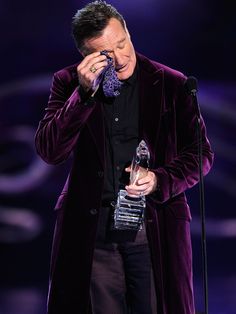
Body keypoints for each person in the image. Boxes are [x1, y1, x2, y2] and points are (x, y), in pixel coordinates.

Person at [35, 1, 214, 313]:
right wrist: (84, 95)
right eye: (106, 54)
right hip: (94, 235)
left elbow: (201, 154)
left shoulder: (171, 83)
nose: (119, 58)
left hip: (154, 228)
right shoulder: (67, 83)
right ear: (86, 55)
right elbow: (50, 151)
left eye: (122, 43)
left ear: (129, 33)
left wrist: (160, 179)